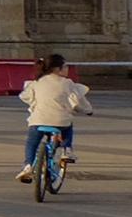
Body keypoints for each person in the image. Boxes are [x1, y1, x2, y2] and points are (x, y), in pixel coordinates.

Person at [17, 52, 93, 182]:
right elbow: (77, 102)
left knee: (31, 143)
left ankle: (28, 166)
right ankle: (67, 149)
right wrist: (88, 110)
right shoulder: (67, 83)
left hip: (38, 121)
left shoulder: (36, 82)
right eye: (65, 66)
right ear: (57, 69)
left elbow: (25, 96)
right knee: (68, 126)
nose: (67, 69)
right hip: (60, 122)